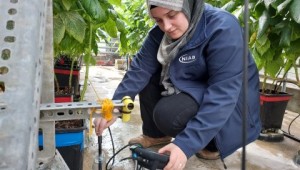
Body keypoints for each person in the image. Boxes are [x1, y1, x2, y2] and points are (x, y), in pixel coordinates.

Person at [94, 0, 261, 169]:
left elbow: (223, 93)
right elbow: (139, 70)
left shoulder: (222, 27)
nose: (166, 26)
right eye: (158, 20)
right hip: (197, 88)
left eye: (171, 15)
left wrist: (185, 145)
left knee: (168, 114)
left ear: (188, 5)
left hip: (234, 105)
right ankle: (156, 135)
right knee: (148, 75)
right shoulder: (159, 36)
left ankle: (212, 144)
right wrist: (114, 107)